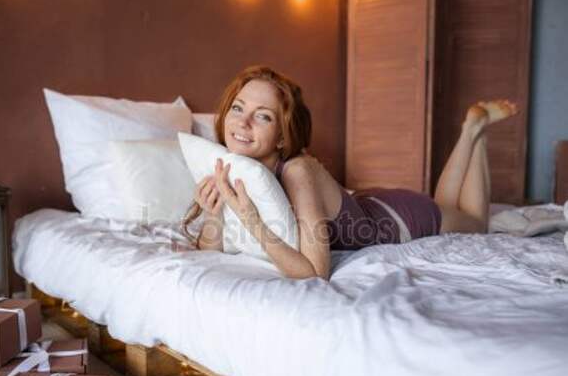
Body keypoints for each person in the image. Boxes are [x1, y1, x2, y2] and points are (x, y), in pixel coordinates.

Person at [181, 65, 518, 280]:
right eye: (238, 108)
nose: (242, 122)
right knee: (444, 204)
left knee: (475, 222)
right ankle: (471, 130)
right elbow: (210, 255)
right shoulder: (229, 165)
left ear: (282, 136)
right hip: (363, 203)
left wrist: (252, 222)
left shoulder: (297, 170)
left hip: (394, 218)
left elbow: (315, 273)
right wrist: (214, 214)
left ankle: (476, 132)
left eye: (263, 116)